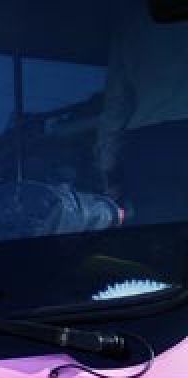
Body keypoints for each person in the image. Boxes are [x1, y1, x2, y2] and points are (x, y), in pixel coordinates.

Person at [96, 1, 188, 225]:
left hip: (148, 146)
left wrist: (108, 167)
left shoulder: (130, 20)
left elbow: (115, 105)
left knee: (159, 238)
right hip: (160, 142)